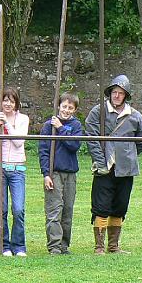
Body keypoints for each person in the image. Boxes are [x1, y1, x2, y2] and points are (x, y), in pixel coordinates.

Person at [85, 75, 142, 254]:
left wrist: (127, 156)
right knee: (101, 206)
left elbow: (141, 142)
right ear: (110, 93)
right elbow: (92, 138)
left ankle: (113, 246)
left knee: (120, 206)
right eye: (114, 92)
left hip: (126, 169)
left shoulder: (135, 116)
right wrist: (100, 161)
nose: (117, 96)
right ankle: (99, 247)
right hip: (104, 167)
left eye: (120, 93)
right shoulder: (98, 111)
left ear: (126, 95)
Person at [38, 92, 82, 255]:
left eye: (70, 108)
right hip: (54, 173)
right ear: (59, 106)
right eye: (64, 106)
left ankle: (64, 245)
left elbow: (74, 145)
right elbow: (43, 150)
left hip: (70, 173)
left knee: (68, 210)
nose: (67, 110)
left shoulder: (75, 126)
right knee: (54, 209)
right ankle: (54, 246)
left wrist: (61, 128)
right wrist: (46, 174)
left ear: (75, 110)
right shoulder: (48, 126)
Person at [0, 87, 29, 257]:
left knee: (18, 209)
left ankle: (19, 246)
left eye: (11, 101)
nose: (8, 104)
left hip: (17, 169)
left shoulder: (23, 119)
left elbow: (19, 142)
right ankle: (3, 245)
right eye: (5, 100)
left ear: (16, 103)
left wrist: (8, 127)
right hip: (0, 168)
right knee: (1, 209)